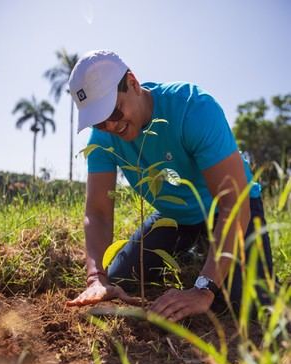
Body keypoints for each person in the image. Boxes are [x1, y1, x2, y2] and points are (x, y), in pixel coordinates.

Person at [66, 49, 273, 321]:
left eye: (113, 111)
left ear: (133, 82)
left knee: (241, 301)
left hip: (232, 207)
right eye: (99, 121)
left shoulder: (193, 108)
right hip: (175, 216)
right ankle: (197, 251)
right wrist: (96, 278)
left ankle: (206, 260)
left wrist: (204, 288)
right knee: (121, 279)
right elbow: (98, 212)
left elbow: (233, 203)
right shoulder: (101, 138)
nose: (110, 125)